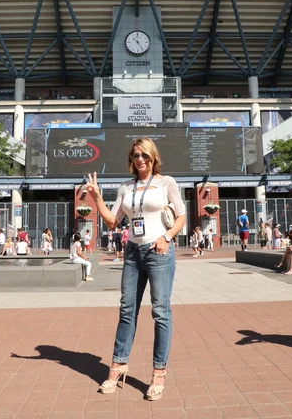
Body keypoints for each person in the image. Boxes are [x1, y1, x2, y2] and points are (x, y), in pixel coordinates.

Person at [85, 137, 185, 401]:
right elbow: (112, 222)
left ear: (153, 157)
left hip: (158, 251)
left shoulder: (167, 183)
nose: (139, 159)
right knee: (127, 310)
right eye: (135, 155)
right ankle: (117, 367)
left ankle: (158, 374)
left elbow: (182, 216)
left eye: (144, 155)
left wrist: (167, 238)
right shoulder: (125, 188)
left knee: (160, 311)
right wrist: (97, 198)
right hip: (132, 252)